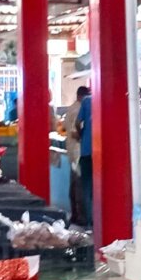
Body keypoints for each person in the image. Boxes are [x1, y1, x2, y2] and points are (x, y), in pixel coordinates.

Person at [65, 87, 91, 225]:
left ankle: (76, 214)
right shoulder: (80, 108)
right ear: (83, 96)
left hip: (73, 151)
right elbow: (76, 131)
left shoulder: (71, 108)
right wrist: (83, 136)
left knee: (75, 184)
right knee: (81, 186)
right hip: (79, 151)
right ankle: (83, 217)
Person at [76, 93, 93, 227]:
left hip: (86, 150)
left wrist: (81, 134)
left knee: (86, 187)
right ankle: (98, 218)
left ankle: (88, 220)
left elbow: (77, 122)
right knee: (99, 187)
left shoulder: (86, 100)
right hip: (103, 153)